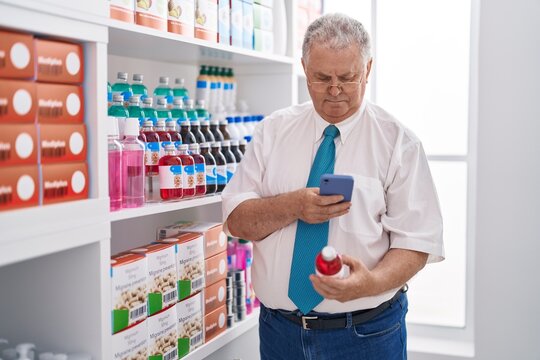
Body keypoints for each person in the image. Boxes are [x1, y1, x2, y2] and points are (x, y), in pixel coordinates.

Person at [222, 13, 444, 360]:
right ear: (304, 69)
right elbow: (236, 222)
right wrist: (292, 205)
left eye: (348, 77)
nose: (335, 90)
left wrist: (369, 283)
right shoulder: (272, 132)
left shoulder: (398, 143)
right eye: (322, 78)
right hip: (280, 332)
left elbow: (415, 244)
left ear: (368, 69)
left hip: (367, 334)